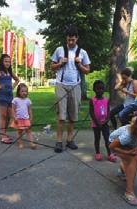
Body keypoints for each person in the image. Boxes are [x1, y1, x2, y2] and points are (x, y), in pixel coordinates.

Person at [51, 25, 91, 153]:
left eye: (73, 40)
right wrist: (59, 63)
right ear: (66, 38)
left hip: (75, 85)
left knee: (73, 115)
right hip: (61, 84)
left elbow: (87, 70)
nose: (71, 42)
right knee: (61, 115)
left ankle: (69, 140)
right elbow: (52, 66)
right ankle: (58, 141)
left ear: (77, 38)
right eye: (69, 40)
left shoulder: (82, 52)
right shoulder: (59, 50)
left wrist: (79, 64)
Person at [0, 54, 20, 144]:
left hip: (10, 97)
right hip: (1, 97)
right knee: (2, 116)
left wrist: (12, 87)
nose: (8, 63)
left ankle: (4, 133)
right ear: (2, 62)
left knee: (10, 117)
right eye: (6, 61)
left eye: (9, 61)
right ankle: (3, 135)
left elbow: (17, 80)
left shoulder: (10, 72)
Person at [89, 80, 117, 162]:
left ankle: (109, 154)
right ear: (94, 89)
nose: (100, 90)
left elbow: (108, 112)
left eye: (101, 89)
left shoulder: (106, 100)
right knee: (97, 138)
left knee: (107, 139)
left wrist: (106, 120)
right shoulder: (92, 100)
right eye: (98, 89)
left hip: (105, 123)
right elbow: (91, 112)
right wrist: (97, 122)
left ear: (104, 89)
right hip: (96, 124)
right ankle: (98, 153)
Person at [10, 83, 37, 149]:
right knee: (20, 132)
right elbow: (13, 109)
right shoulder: (15, 100)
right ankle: (20, 143)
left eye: (26, 91)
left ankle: (32, 143)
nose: (24, 93)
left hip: (26, 119)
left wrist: (31, 118)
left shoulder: (28, 100)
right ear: (18, 92)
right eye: (22, 91)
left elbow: (30, 110)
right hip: (18, 119)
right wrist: (14, 117)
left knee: (29, 131)